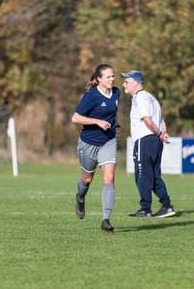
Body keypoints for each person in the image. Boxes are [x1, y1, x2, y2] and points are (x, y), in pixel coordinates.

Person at [72, 64, 121, 231]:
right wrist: (97, 122)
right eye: (108, 77)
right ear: (99, 79)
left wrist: (116, 126)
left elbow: (113, 111)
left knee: (109, 178)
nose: (112, 79)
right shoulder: (91, 96)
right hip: (88, 143)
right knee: (87, 179)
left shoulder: (116, 92)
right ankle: (80, 197)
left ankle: (106, 220)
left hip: (108, 140)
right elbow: (76, 118)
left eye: (113, 76)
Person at [121, 70, 176, 218]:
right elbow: (160, 119)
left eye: (127, 81)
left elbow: (148, 120)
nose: (123, 83)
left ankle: (145, 209)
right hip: (155, 141)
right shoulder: (151, 97)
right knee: (154, 176)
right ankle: (167, 206)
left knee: (142, 175)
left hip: (145, 140)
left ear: (137, 83)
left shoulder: (140, 98)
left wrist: (158, 133)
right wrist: (162, 133)